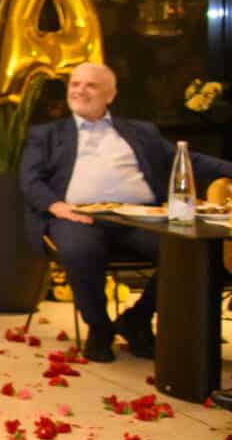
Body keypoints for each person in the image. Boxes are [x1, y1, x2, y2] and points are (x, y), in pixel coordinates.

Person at [20, 61, 232, 362]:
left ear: (110, 94)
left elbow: (188, 160)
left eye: (90, 85)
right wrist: (57, 206)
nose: (80, 90)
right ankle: (99, 327)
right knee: (80, 250)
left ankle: (138, 318)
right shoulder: (47, 135)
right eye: (75, 84)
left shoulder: (140, 132)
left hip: (138, 216)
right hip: (77, 215)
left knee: (190, 252)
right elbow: (30, 179)